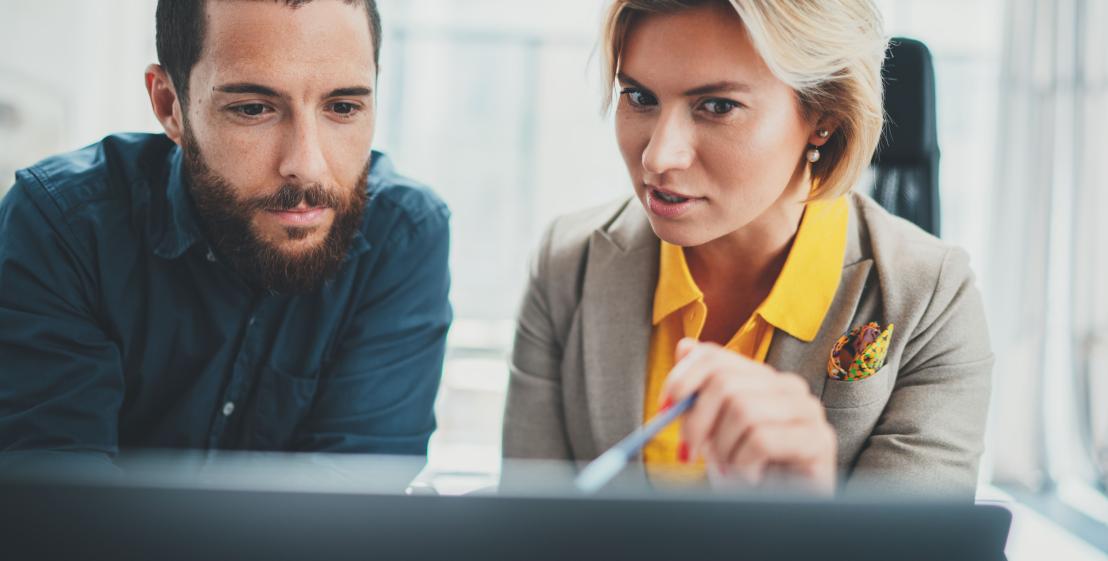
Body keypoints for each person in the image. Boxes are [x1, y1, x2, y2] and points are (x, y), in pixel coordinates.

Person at [504, 0, 992, 497]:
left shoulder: (932, 299)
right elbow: (527, 533)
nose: (658, 155)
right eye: (639, 96)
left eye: (717, 106)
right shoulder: (567, 265)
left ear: (823, 116)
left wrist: (805, 513)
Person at [0, 0, 451, 466]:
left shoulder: (403, 233)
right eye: (254, 108)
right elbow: (57, 507)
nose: (307, 165)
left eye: (342, 106)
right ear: (169, 106)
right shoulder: (63, 225)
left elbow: (356, 507)